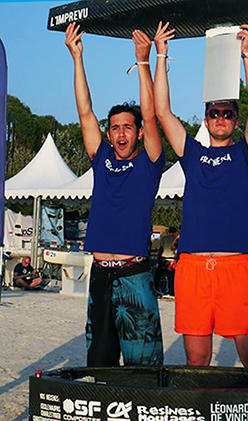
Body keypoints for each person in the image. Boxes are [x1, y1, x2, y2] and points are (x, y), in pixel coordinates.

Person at [153, 22, 248, 368]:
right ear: (205, 119)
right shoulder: (192, 153)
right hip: (192, 267)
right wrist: (161, 55)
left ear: (235, 121)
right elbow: (162, 112)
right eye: (214, 113)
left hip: (236, 266)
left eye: (227, 113)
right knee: (197, 360)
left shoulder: (245, 154)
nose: (220, 117)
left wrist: (247, 54)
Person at [65, 23, 165, 367]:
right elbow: (84, 111)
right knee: (100, 364)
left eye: (128, 127)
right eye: (115, 127)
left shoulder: (149, 162)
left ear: (139, 133)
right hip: (100, 275)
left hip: (134, 275)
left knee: (143, 369)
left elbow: (150, 114)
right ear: (109, 134)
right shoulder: (102, 158)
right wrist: (77, 57)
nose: (121, 133)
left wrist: (143, 62)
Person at [154, 226, 178, 295]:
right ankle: (171, 292)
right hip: (171, 260)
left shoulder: (164, 239)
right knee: (171, 277)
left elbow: (161, 249)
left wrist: (158, 259)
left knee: (158, 275)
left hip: (163, 258)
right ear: (174, 233)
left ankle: (156, 289)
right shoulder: (175, 239)